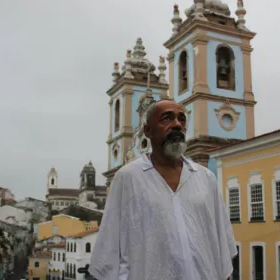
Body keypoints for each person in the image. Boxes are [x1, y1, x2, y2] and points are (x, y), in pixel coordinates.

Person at [89, 99, 237, 280]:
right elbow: (108, 249)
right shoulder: (127, 178)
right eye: (166, 118)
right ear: (148, 131)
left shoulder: (206, 178)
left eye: (181, 119)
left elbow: (222, 243)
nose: (177, 124)